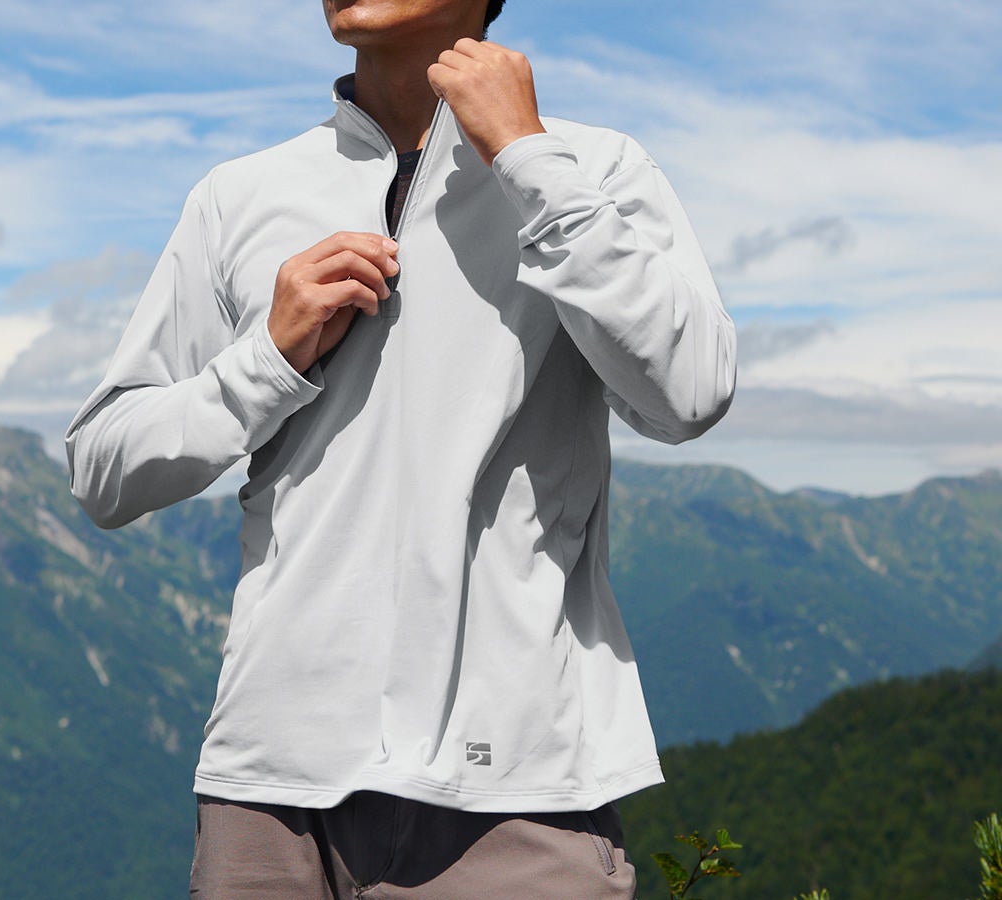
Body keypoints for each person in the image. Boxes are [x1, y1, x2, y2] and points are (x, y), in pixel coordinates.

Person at [66, 0, 737, 896]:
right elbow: (103, 469)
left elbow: (689, 392)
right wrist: (267, 360)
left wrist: (529, 159)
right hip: (267, 795)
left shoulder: (594, 168)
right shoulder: (239, 194)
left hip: (514, 794)